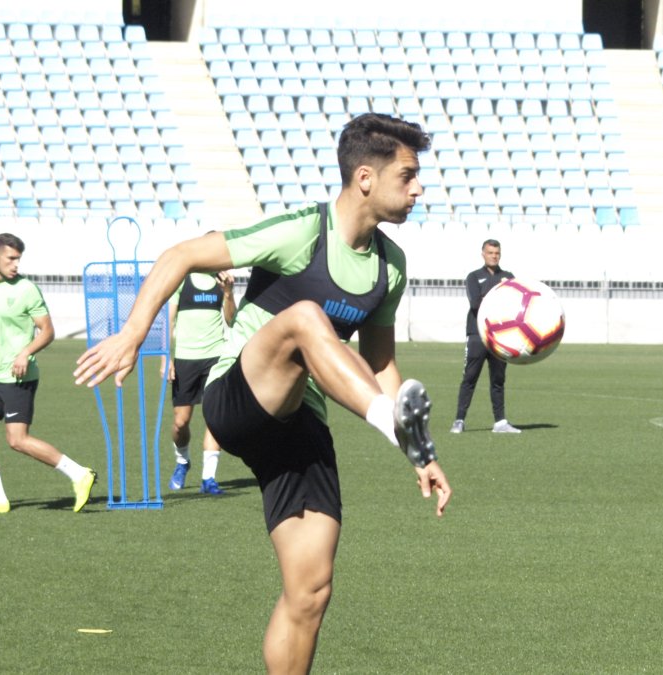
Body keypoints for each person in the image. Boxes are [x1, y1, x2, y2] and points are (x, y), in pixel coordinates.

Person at [73, 113, 451, 673]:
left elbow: (382, 363)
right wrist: (131, 334)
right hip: (237, 397)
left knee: (311, 591)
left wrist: (422, 455)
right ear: (365, 177)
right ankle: (384, 420)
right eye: (408, 175)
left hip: (300, 423)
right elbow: (181, 255)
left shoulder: (390, 266)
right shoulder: (302, 231)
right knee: (304, 317)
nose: (419, 188)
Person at [0, 233, 96, 514]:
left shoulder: (26, 290)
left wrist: (25, 353)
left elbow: (48, 332)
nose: (15, 264)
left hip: (20, 377)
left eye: (18, 259)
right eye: (11, 258)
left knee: (17, 440)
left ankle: (79, 474)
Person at [163, 270, 237, 493]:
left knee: (215, 417)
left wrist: (228, 293)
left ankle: (208, 478)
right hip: (185, 359)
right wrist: (166, 358)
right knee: (180, 423)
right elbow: (169, 321)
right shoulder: (182, 280)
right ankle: (182, 462)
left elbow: (231, 319)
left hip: (215, 358)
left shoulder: (222, 282)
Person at [450, 239, 520, 434]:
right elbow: (475, 303)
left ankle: (500, 422)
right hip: (477, 333)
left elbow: (513, 303)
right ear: (483, 254)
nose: (493, 256)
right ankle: (459, 420)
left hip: (500, 336)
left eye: (497, 253)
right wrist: (500, 291)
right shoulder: (474, 277)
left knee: (498, 379)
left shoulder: (508, 277)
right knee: (470, 377)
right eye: (490, 252)